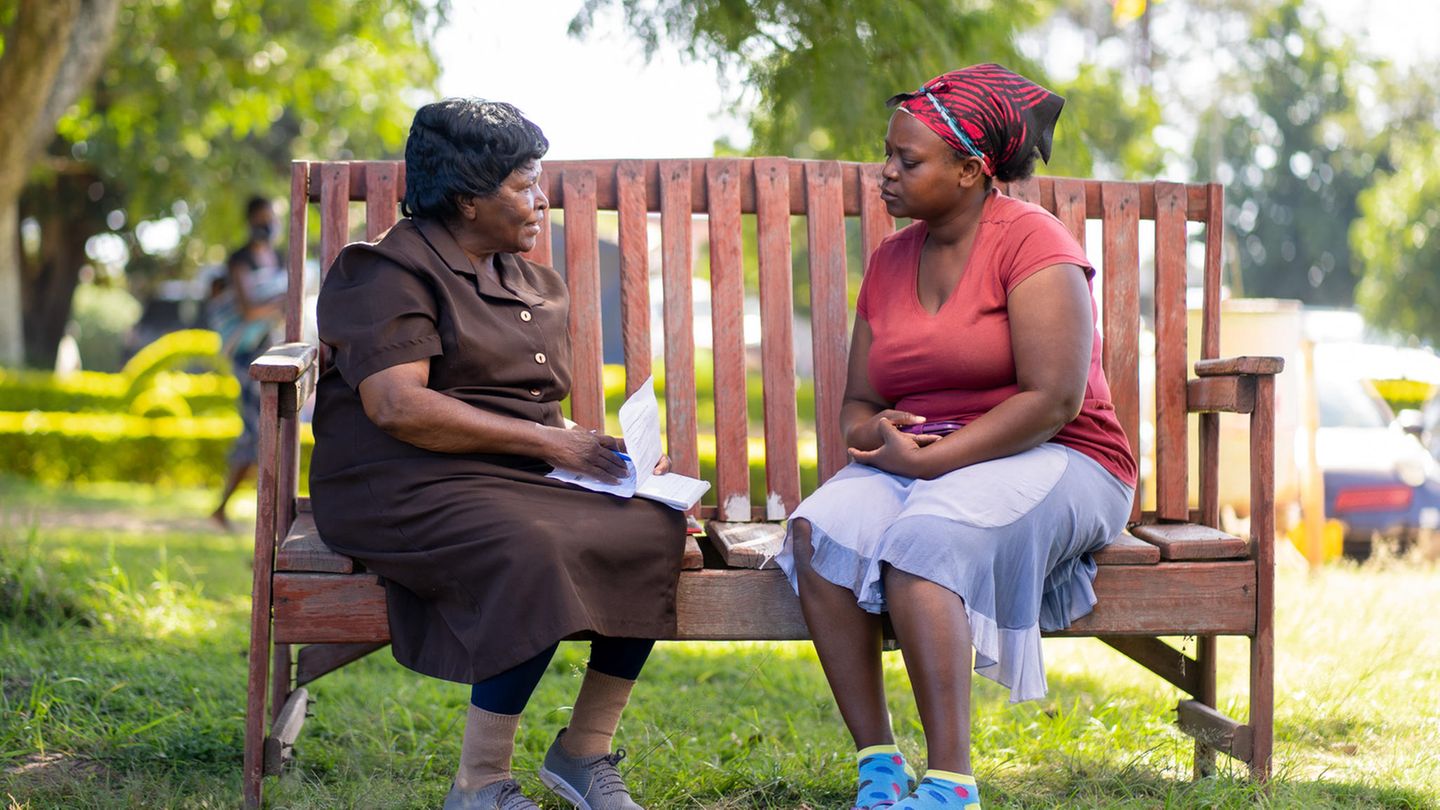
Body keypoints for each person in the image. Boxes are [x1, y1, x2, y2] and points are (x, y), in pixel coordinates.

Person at [773, 64, 1138, 810]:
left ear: (971, 170)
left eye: (907, 161)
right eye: (887, 154)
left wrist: (931, 463)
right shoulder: (889, 260)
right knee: (817, 533)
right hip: (925, 459)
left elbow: (1054, 399)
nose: (885, 172)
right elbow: (860, 401)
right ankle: (879, 765)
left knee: (925, 541)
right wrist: (872, 433)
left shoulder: (1033, 242)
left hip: (1063, 455)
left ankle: (950, 784)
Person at [309, 98, 685, 810]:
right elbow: (397, 406)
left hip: (508, 474)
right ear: (467, 199)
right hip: (398, 480)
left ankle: (584, 751)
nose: (542, 200)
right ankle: (479, 781)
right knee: (530, 546)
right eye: (524, 184)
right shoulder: (385, 271)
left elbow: (527, 409)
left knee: (652, 524)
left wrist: (602, 455)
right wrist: (553, 444)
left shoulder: (530, 281)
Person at [210, 195, 285, 530]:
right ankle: (235, 509)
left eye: (272, 218)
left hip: (269, 348)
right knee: (257, 432)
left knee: (266, 431)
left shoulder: (278, 257)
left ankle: (234, 509)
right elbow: (249, 309)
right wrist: (281, 302)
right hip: (246, 353)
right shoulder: (240, 259)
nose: (268, 225)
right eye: (263, 219)